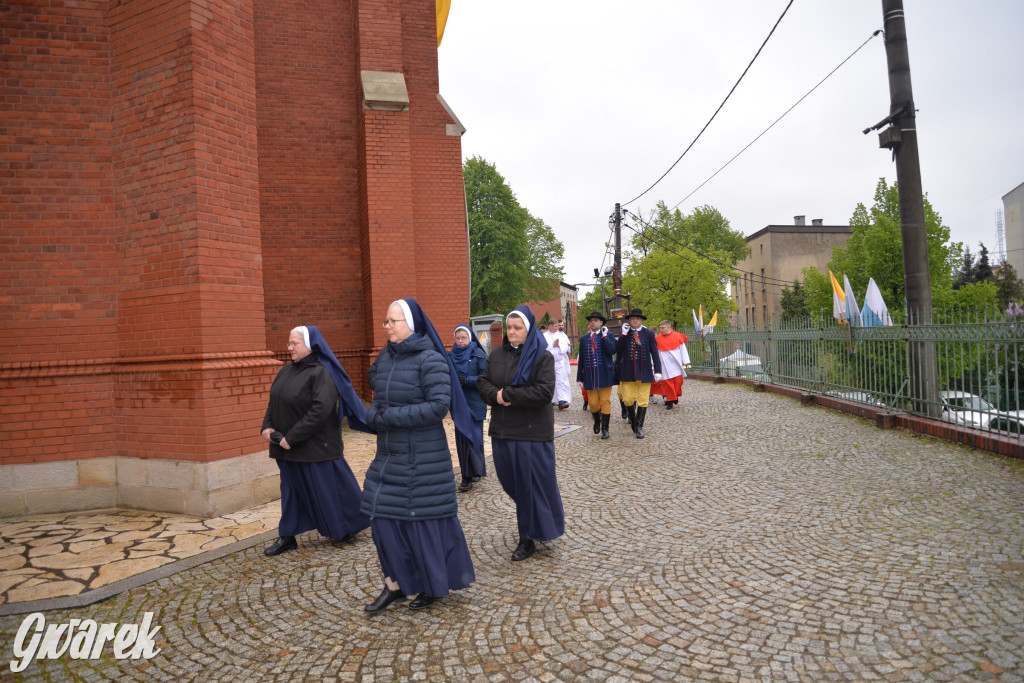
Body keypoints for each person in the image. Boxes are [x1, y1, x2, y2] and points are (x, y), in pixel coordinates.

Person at [361, 298, 478, 613]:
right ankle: (395, 584)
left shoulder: (431, 359)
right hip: (389, 456)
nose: (386, 326)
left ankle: (431, 585)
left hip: (422, 458)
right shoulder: (386, 357)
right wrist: (374, 414)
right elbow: (376, 387)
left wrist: (390, 417)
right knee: (382, 521)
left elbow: (439, 405)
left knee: (421, 524)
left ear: (411, 324)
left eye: (392, 321)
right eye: (385, 321)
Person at [261, 326, 371, 556]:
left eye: (294, 344)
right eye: (289, 343)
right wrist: (267, 426)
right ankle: (287, 536)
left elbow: (320, 410)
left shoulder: (321, 373)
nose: (289, 348)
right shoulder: (285, 371)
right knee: (291, 491)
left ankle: (344, 528)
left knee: (328, 491)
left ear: (310, 345)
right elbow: (274, 401)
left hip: (315, 446)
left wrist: (292, 437)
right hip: (285, 447)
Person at [478, 306, 565, 562]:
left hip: (530, 434)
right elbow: (483, 383)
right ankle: (538, 522)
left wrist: (507, 395)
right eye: (510, 327)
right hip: (503, 431)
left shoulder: (542, 357)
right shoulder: (497, 354)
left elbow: (543, 393)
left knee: (530, 488)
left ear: (528, 330)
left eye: (518, 328)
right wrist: (495, 395)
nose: (512, 332)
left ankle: (527, 536)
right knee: (511, 483)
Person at [449, 324, 488, 491]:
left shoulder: (478, 355)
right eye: (457, 338)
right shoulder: (450, 356)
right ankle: (467, 476)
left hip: (475, 401)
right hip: (459, 402)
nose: (460, 341)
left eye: (463, 338)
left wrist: (467, 381)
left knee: (475, 438)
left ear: (470, 338)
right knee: (463, 439)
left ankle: (477, 469)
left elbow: (485, 378)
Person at [615, 308, 662, 439]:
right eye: (632, 319)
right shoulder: (625, 332)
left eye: (637, 318)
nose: (634, 320)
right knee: (628, 399)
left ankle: (639, 427)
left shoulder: (648, 334)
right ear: (629, 320)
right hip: (627, 371)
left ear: (641, 320)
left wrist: (658, 370)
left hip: (644, 370)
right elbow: (617, 349)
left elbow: (654, 352)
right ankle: (633, 420)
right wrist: (623, 335)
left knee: (643, 400)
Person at [576, 311, 618, 439]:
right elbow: (581, 359)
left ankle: (605, 429)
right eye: (591, 320)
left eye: (595, 320)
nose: (592, 322)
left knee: (605, 401)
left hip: (605, 373)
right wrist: (579, 377)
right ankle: (597, 420)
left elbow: (612, 351)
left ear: (601, 323)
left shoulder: (608, 335)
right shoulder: (584, 339)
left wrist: (605, 337)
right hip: (590, 376)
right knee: (593, 403)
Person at [650, 320, 690, 409]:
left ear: (668, 327)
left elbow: (683, 349)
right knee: (667, 384)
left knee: (678, 382)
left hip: (676, 364)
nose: (661, 330)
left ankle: (675, 396)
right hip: (664, 364)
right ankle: (670, 401)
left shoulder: (677, 336)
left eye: (663, 328)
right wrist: (653, 363)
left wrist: (686, 361)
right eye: (660, 328)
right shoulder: (657, 339)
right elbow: (654, 352)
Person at [545, 319, 572, 410]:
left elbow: (566, 346)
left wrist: (559, 346)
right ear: (550, 326)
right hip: (549, 362)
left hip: (559, 362)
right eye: (555, 326)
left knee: (560, 381)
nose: (557, 328)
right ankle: (550, 399)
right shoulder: (544, 336)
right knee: (550, 381)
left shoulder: (560, 335)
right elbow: (542, 348)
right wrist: (552, 345)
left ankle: (562, 400)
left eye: (558, 326)